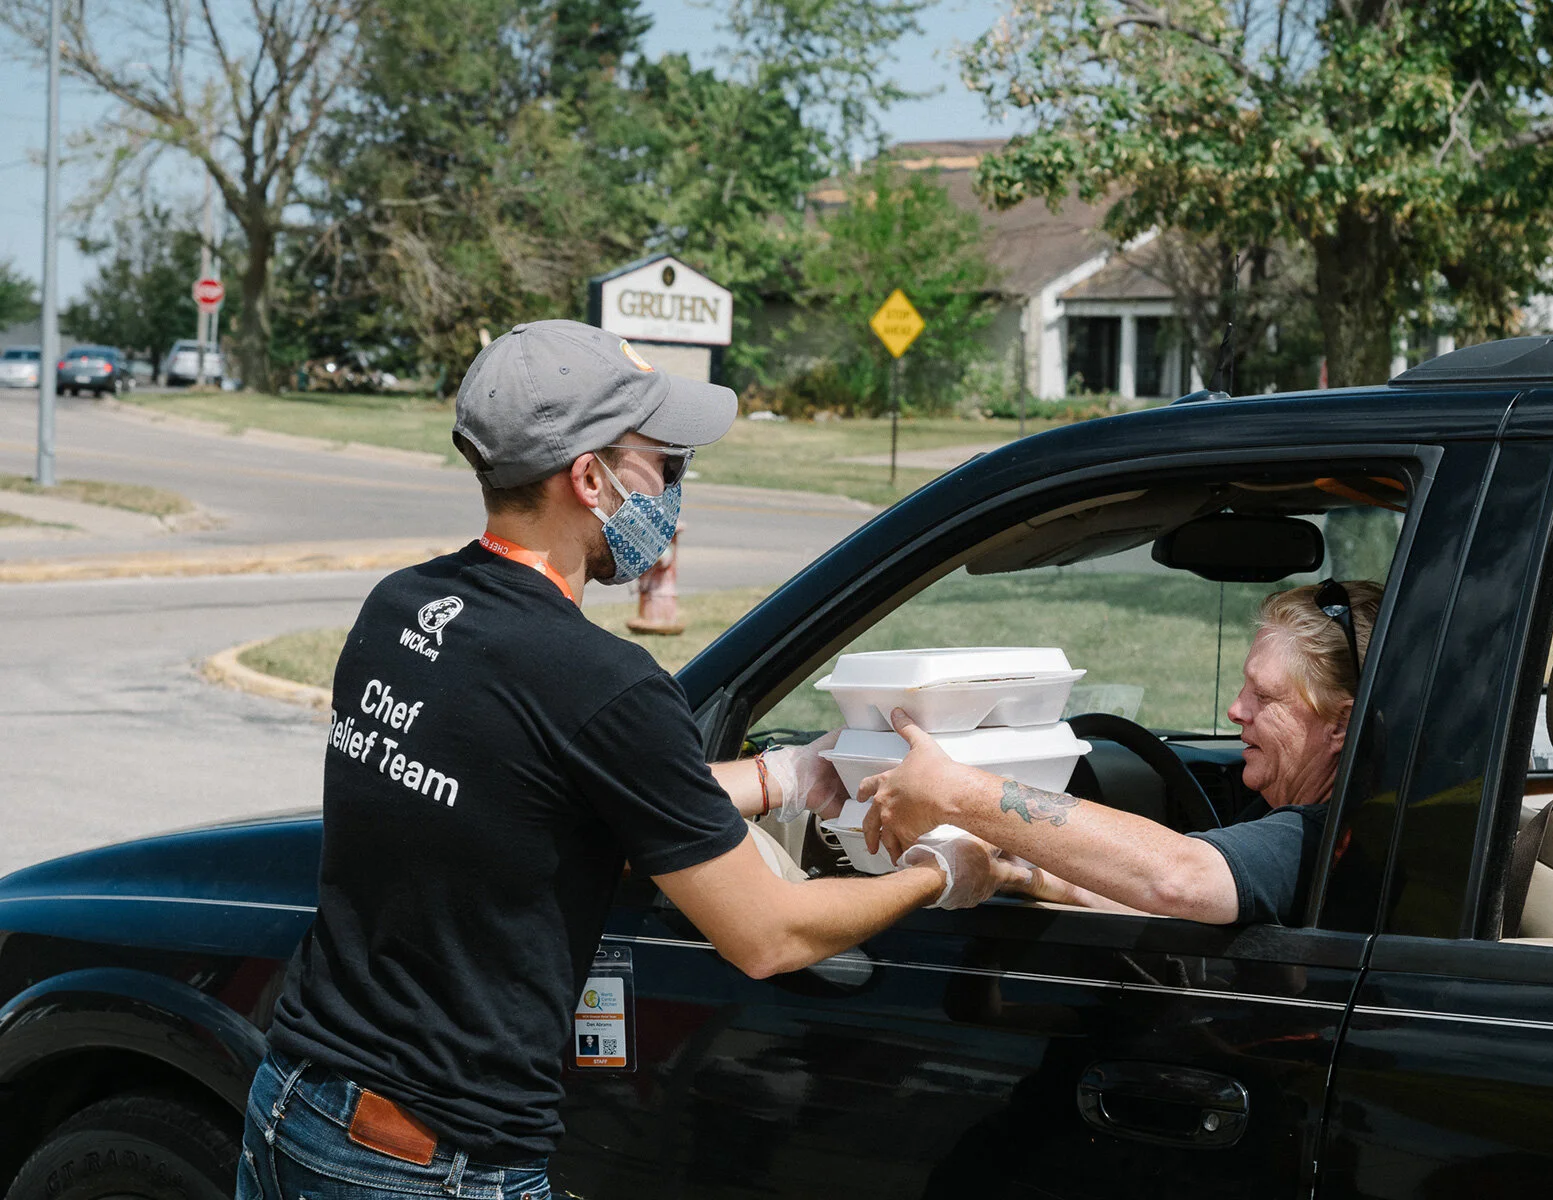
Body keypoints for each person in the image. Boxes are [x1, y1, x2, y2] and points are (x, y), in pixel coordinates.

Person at [238, 321, 1022, 1200]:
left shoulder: (402, 609)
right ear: (589, 478)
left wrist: (781, 777)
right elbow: (769, 935)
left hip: (291, 1107)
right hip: (436, 1165)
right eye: (667, 466)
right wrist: (941, 870)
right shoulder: (605, 683)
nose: (677, 491)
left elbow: (523, 799)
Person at [861, 579, 1384, 926]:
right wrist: (1017, 873)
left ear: (1342, 724)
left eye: (1264, 697)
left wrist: (954, 790)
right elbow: (1168, 910)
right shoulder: (1324, 814)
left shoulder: (1319, 841)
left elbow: (1181, 879)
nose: (1234, 710)